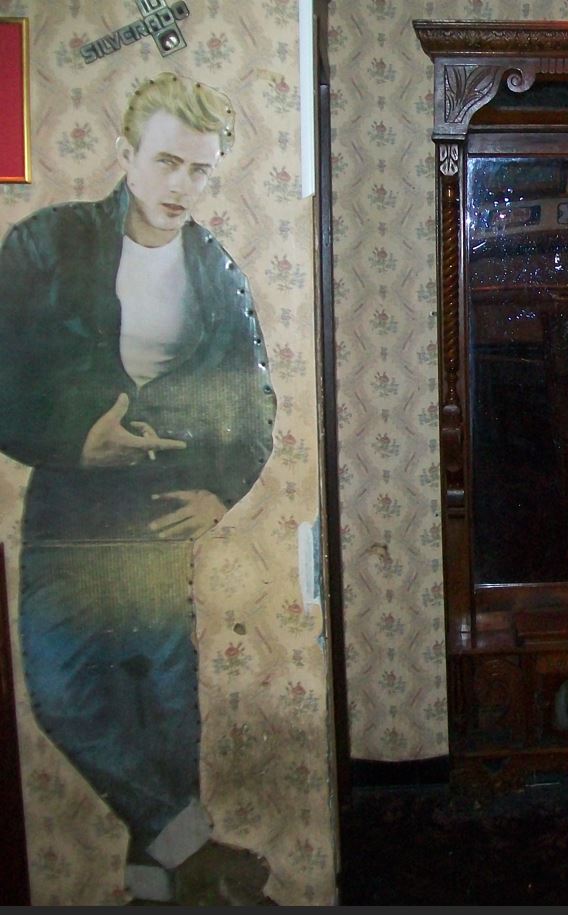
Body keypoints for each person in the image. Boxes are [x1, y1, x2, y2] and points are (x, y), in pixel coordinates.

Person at [0, 72, 276, 903]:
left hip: (159, 511)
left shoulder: (215, 269)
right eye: (166, 162)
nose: (181, 186)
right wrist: (74, 441)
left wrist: (221, 490)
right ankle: (191, 848)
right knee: (63, 694)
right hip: (69, 503)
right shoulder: (47, 245)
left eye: (200, 169)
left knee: (161, 702)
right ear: (126, 154)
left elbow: (254, 398)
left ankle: (160, 885)